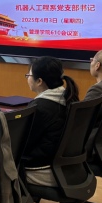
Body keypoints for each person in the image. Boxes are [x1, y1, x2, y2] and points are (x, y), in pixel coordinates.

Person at [23, 56, 80, 187]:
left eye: (29, 75)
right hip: (67, 167)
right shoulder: (68, 97)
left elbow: (24, 144)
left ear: (39, 81)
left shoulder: (40, 107)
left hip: (44, 168)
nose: (27, 78)